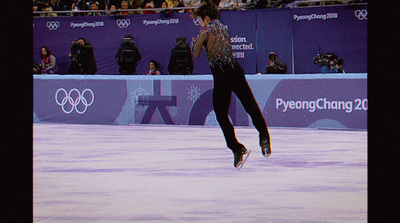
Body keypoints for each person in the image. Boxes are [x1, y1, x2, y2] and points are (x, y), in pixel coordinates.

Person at [190, 1, 271, 168]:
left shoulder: (206, 30)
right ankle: (264, 138)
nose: (199, 23)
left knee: (220, 114)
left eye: (199, 20)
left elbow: (196, 53)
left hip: (221, 76)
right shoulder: (223, 27)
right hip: (235, 72)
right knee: (251, 106)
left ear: (206, 18)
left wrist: (195, 42)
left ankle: (236, 147)